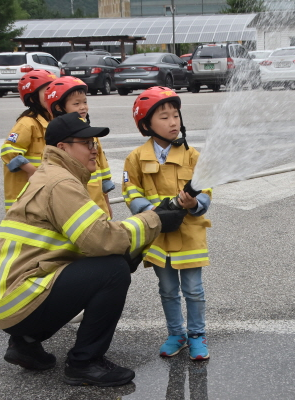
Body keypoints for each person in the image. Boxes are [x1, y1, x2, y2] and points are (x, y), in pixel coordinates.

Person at [0, 112, 187, 387]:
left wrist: (148, 225)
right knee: (113, 271)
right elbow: (100, 239)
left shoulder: (51, 175)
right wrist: (156, 220)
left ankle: (25, 343)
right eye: (87, 143)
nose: (94, 149)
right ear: (62, 148)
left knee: (115, 259)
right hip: (18, 299)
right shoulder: (61, 183)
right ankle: (85, 363)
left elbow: (93, 237)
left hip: (6, 297)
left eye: (95, 143)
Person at [122, 87, 213, 360]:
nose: (173, 122)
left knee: (194, 290)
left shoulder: (193, 156)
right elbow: (130, 189)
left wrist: (193, 205)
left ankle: (197, 335)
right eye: (164, 117)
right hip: (158, 235)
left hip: (190, 234)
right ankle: (177, 334)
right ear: (146, 124)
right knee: (168, 289)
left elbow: (206, 193)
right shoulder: (136, 158)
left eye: (175, 115)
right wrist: (150, 211)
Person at [44, 76, 114, 218]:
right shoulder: (56, 136)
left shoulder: (90, 132)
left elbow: (102, 163)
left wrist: (106, 201)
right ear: (59, 107)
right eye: (76, 104)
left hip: (97, 201)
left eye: (85, 102)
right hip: (75, 204)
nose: (83, 107)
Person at [1, 69, 55, 211]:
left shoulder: (51, 122)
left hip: (43, 191)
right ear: (32, 98)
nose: (51, 95)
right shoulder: (27, 123)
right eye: (46, 91)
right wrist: (32, 171)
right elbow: (8, 151)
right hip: (24, 195)